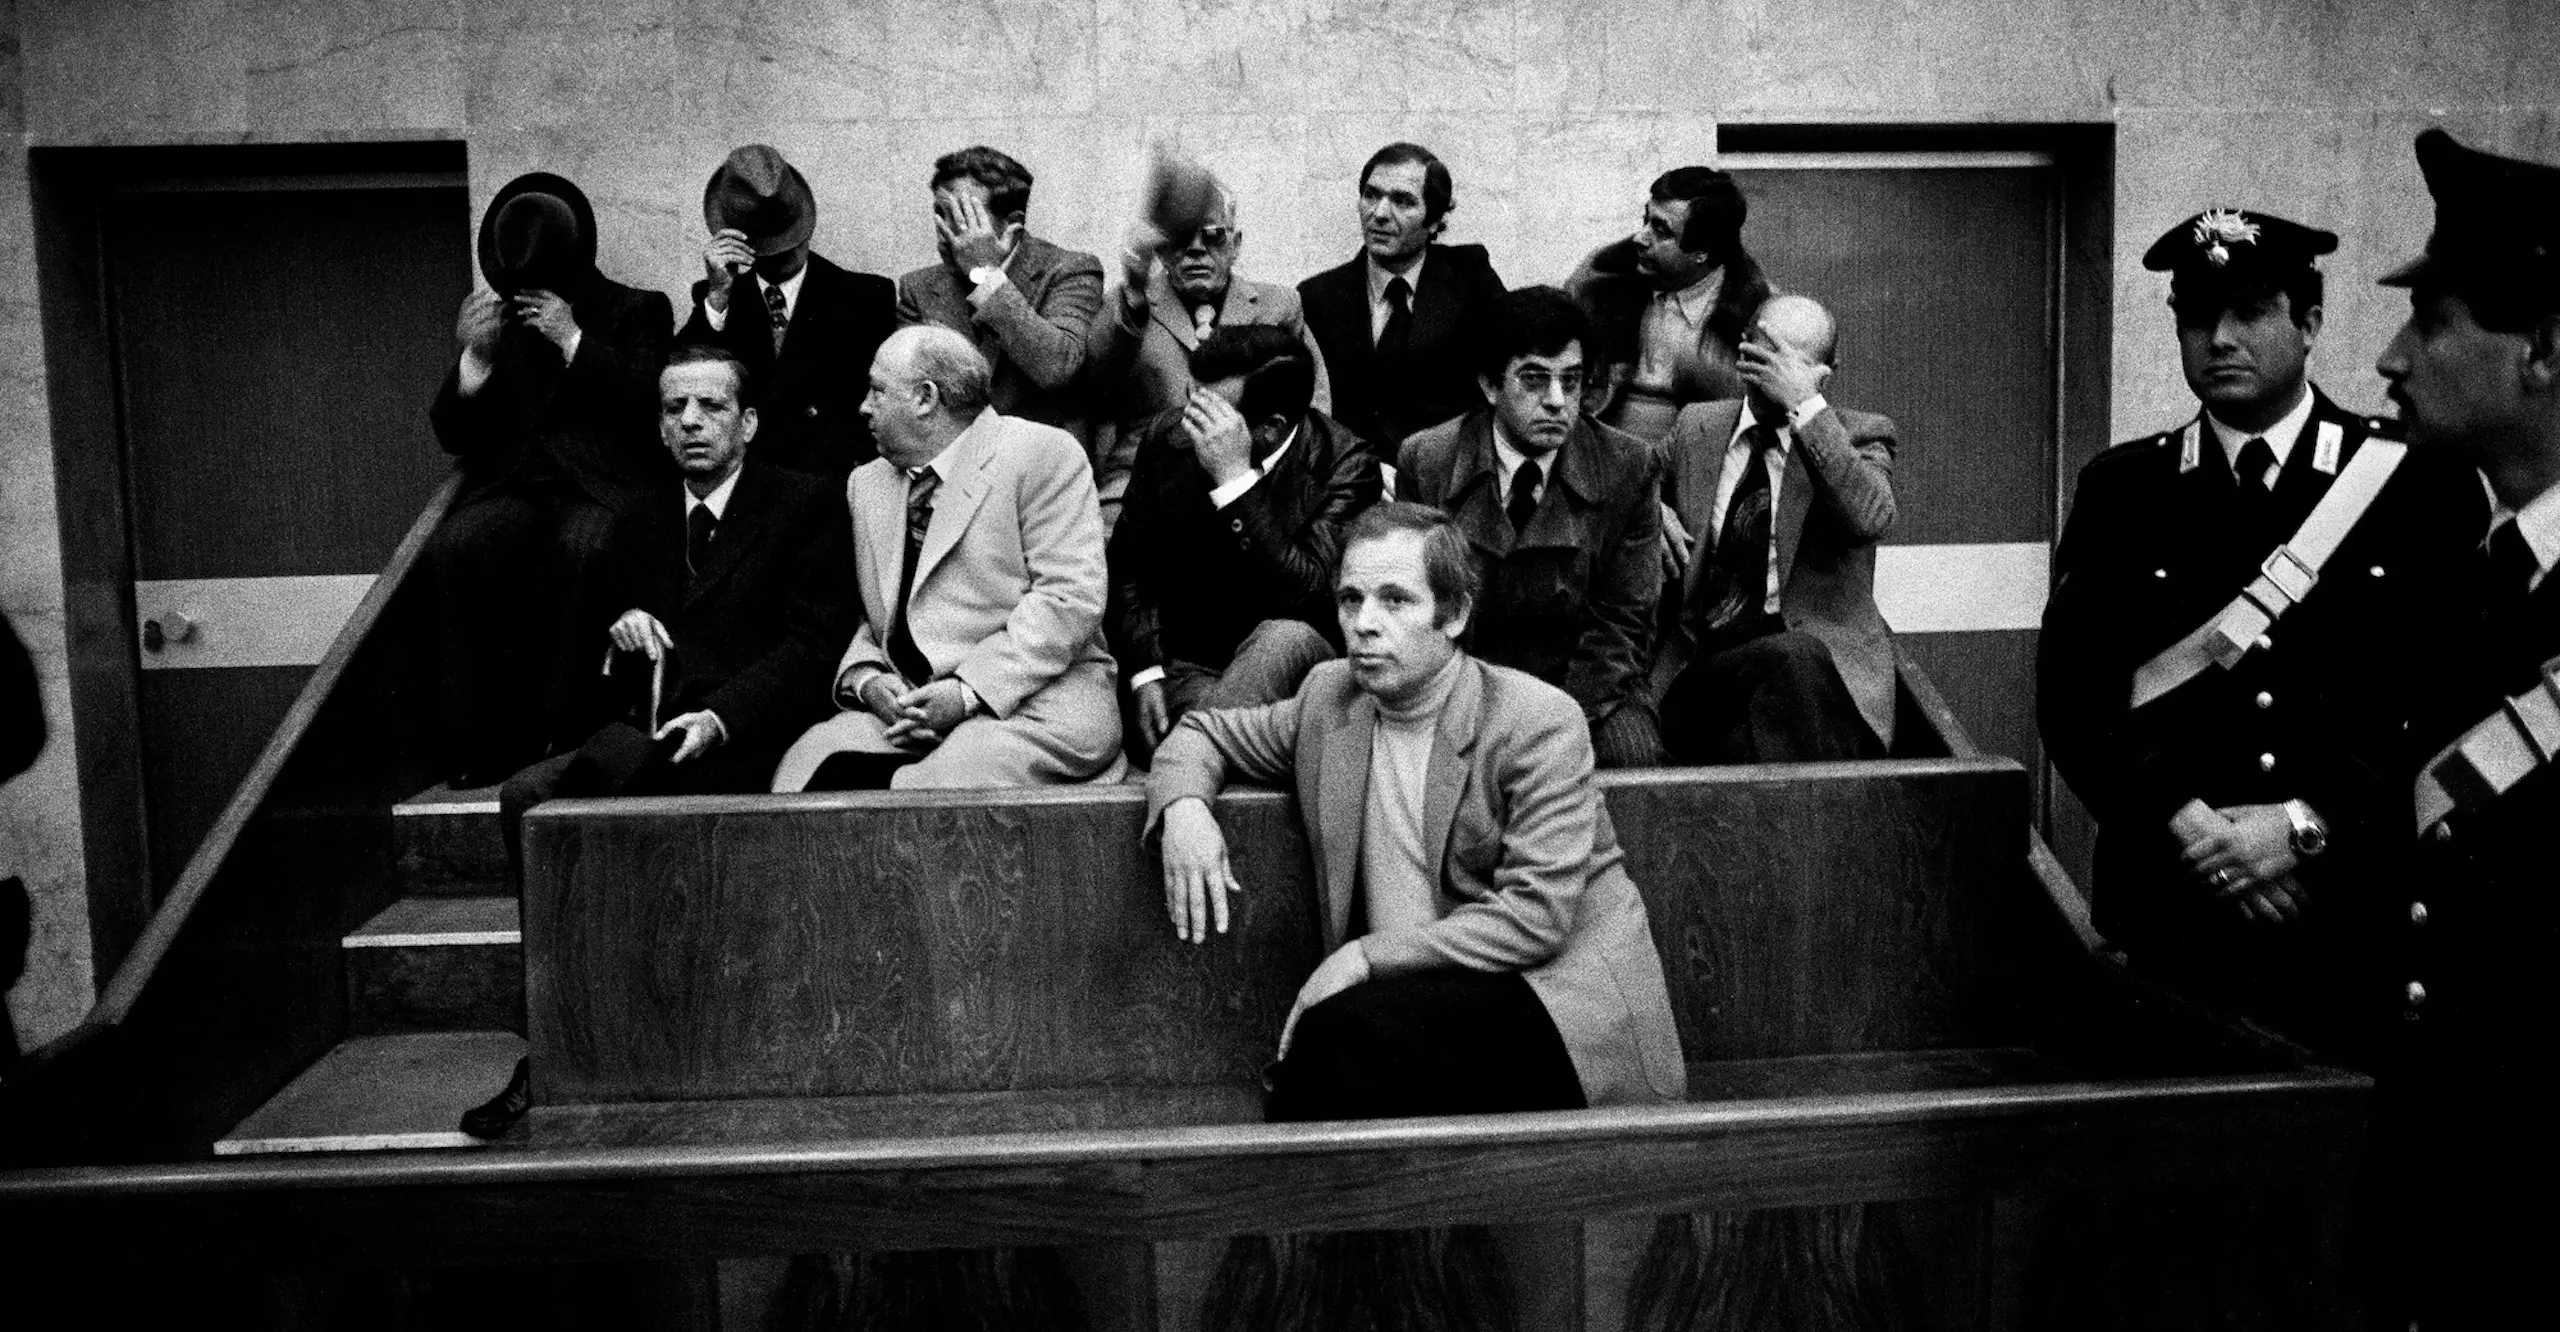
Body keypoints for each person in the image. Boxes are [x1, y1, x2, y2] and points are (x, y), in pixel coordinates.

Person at [2039, 206, 2485, 1060]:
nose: (2220, 338)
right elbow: (2073, 698)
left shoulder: (2415, 481)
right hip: (2172, 910)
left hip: (2342, 911)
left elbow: (2439, 700)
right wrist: (2193, 829)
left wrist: (2307, 828)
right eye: (2198, 317)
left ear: (2310, 324)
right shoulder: (2123, 489)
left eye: (2248, 312)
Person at [1147, 500, 1685, 1121]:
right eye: (1351, 600)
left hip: (1553, 998)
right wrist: (1186, 808)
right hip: (1416, 1006)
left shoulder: (1537, 721)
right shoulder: (1330, 698)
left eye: (1395, 600)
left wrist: (1363, 957)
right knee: (1343, 1052)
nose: (1364, 624)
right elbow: (1203, 732)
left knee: (1342, 1042)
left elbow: (1536, 918)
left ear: (1454, 615)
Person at [463, 343, 859, 1138]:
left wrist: (721, 718)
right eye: (675, 409)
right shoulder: (637, 518)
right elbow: (596, 669)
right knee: (526, 796)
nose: (691, 423)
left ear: (747, 422)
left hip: (749, 738)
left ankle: (592, 1043)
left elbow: (814, 648)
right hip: (649, 733)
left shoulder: (805, 504)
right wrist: (622, 633)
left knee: (614, 820)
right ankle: (557, 1034)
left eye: (711, 407)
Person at [2366, 127, 2560, 1327]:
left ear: (2539, 349)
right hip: (2463, 1197)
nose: (2390, 357)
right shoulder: (2468, 570)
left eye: (2431, 322)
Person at [771, 327, 1122, 791]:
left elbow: (1068, 600)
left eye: (877, 391)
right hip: (911, 709)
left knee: (937, 788)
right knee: (803, 769)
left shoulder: (1042, 454)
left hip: (1037, 702)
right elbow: (864, 613)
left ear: (924, 398)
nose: (863, 407)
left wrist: (966, 693)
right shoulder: (867, 483)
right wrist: (867, 680)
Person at [426, 171, 673, 786]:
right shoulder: (496, 322)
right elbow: (452, 433)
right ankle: (478, 745)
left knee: (582, 551)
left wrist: (573, 340)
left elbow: (648, 403)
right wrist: (475, 360)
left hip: (602, 489)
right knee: (459, 546)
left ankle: (565, 738)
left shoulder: (638, 308)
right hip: (514, 489)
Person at [1396, 288, 1664, 767]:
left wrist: (1557, 720)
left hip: (1588, 688)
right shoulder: (1429, 460)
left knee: (1634, 758)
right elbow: (1421, 611)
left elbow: (1624, 622)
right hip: (1463, 685)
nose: (1558, 401)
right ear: (1490, 385)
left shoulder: (1628, 466)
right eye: (1534, 380)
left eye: (1573, 381)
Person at [1107, 325, 1381, 764]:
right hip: (1190, 667)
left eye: (1211, 413)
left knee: (1283, 638)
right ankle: (1207, 759)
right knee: (1224, 729)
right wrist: (1145, 670)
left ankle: (1187, 764)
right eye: (1192, 399)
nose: (1189, 420)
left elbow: (1311, 598)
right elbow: (1129, 566)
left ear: (1271, 428)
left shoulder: (1347, 464)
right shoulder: (1168, 437)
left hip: (1298, 672)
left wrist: (1235, 483)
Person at [1652, 294, 1900, 763]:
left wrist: (1806, 408)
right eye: (1767, 352)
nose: (1777, 371)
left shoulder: (1859, 436)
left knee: (1789, 671)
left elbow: (1869, 518)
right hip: (1704, 667)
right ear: (1744, 350)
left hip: (1816, 677)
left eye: (1797, 361)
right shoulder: (1697, 427)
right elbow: (1626, 479)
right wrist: (1653, 509)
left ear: (1829, 370)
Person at [1088, 179, 1332, 526]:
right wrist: (1135, 296)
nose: (1196, 250)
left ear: (1235, 244)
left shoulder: (1278, 305)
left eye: (1213, 236)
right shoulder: (1126, 305)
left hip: (1250, 468)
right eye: (1180, 239)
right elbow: (1097, 385)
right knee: (1106, 543)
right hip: (1142, 473)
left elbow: (1314, 401)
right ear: (1158, 250)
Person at [676, 144, 898, 481]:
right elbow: (682, 381)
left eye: (788, 237)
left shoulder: (866, 298)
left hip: (829, 486)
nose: (782, 251)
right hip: (744, 486)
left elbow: (872, 413)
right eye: (769, 244)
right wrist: (718, 295)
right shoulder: (718, 298)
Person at [1298, 143, 1508, 448]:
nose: (1379, 213)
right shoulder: (1316, 297)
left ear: (1434, 220)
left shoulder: (1470, 279)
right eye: (1371, 195)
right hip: (1351, 476)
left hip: (1445, 475)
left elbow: (1503, 376)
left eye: (1402, 201)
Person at [895, 146, 1104, 450]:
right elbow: (913, 393)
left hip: (1038, 458)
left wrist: (986, 275)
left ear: (1011, 225)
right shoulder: (918, 288)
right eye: (940, 213)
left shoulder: (1070, 270)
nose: (944, 232)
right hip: (949, 458)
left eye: (961, 216)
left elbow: (1057, 368)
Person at [1567, 166, 1774, 443]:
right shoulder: (1599, 282)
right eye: (1646, 220)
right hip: (1599, 460)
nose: (1640, 238)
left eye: (1661, 231)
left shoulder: (1759, 317)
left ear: (1702, 253)